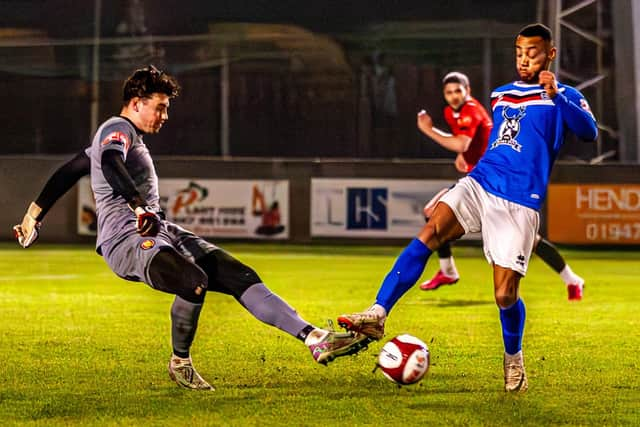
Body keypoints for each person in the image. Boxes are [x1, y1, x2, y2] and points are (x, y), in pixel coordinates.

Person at [13, 65, 370, 390]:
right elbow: (108, 162)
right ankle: (180, 363)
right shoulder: (117, 129)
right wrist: (138, 207)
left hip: (158, 230)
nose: (165, 115)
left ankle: (314, 338)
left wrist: (33, 215)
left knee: (238, 274)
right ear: (136, 103)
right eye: (160, 106)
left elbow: (72, 169)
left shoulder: (122, 135)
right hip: (126, 240)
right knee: (193, 281)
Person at [338, 24, 597, 392]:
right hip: (481, 182)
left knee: (505, 295)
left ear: (550, 55)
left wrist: (559, 96)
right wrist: (463, 172)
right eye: (520, 52)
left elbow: (588, 132)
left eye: (534, 53)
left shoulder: (563, 95)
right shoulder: (501, 94)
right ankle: (378, 313)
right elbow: (498, 142)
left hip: (520, 199)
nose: (525, 59)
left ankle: (513, 359)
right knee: (431, 230)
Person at [417, 71, 585, 301]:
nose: (454, 96)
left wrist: (428, 129)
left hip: (497, 180)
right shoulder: (451, 112)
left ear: (468, 91)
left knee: (531, 240)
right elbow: (471, 144)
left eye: (458, 90)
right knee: (531, 241)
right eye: (449, 92)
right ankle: (572, 279)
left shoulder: (471, 110)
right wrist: (463, 155)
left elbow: (462, 141)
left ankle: (448, 271)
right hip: (481, 179)